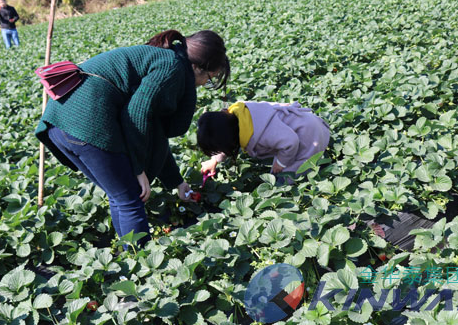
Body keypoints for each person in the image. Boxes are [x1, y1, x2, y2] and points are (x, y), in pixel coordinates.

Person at [35, 30, 230, 247]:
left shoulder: (169, 61)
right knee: (130, 199)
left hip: (61, 122)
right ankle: (141, 268)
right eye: (209, 77)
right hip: (85, 121)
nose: (205, 84)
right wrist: (138, 170)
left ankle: (129, 257)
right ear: (197, 66)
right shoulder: (172, 68)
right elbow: (136, 116)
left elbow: (154, 130)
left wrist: (176, 182)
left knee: (120, 196)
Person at [198, 101, 330, 181]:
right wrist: (214, 160)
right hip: (304, 122)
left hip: (310, 136)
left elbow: (291, 142)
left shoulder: (263, 134)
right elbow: (224, 136)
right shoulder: (239, 114)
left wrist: (281, 163)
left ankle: (320, 170)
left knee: (286, 179)